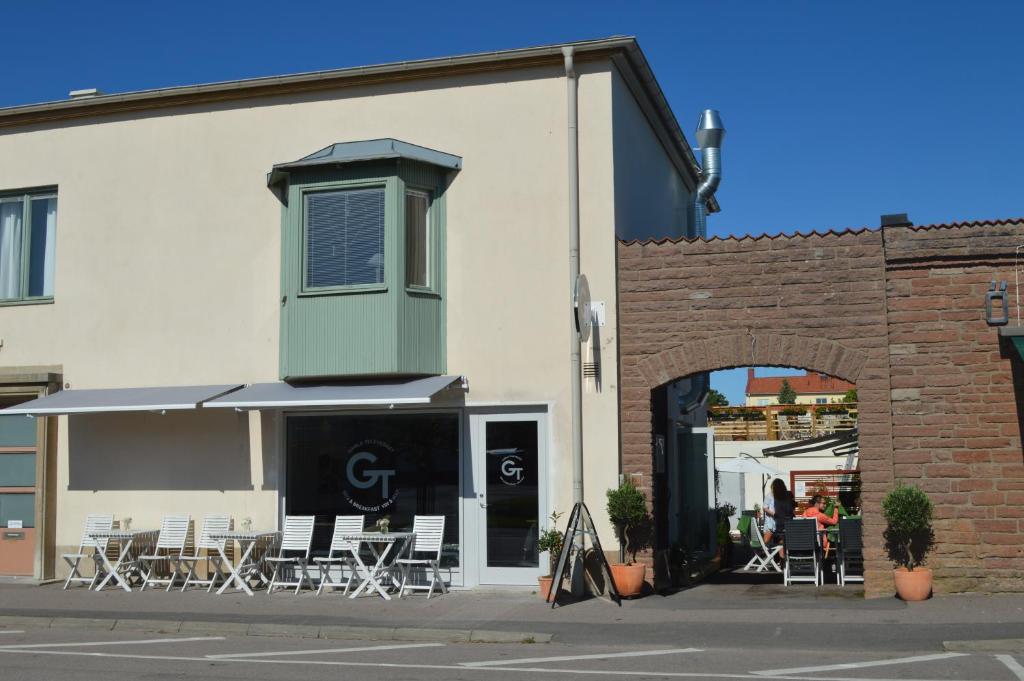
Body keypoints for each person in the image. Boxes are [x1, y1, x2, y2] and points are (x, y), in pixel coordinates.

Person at [762, 479, 794, 557]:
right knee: (766, 541)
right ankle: (768, 557)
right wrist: (774, 514)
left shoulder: (786, 495)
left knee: (781, 541)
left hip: (782, 522)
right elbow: (765, 508)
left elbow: (790, 507)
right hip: (771, 521)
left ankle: (782, 560)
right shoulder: (770, 495)